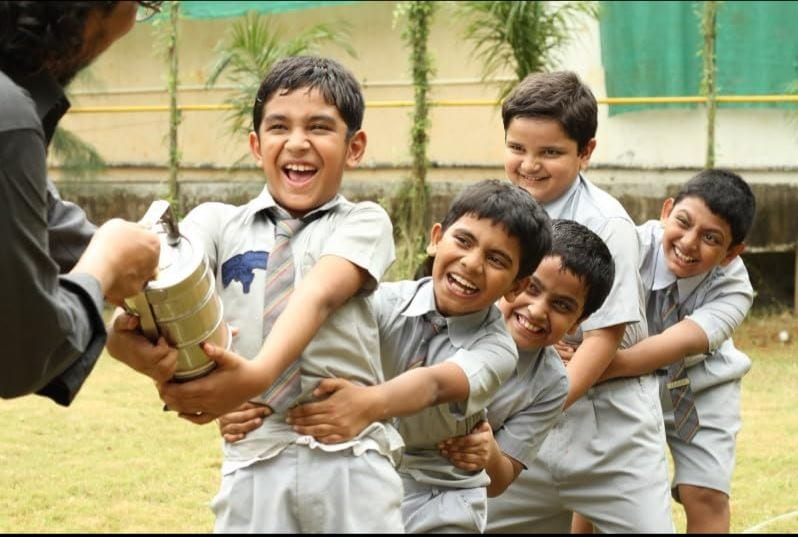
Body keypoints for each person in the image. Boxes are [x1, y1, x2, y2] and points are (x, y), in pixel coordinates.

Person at [117, 55, 406, 532]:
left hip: (350, 455)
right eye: (279, 127)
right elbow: (160, 290)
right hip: (253, 452)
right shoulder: (214, 223)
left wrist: (250, 378)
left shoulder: (364, 221)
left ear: (354, 147)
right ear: (256, 144)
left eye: (319, 127)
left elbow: (318, 295)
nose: (298, 142)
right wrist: (172, 381)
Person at [253, 179, 552, 533]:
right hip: (361, 478)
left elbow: (435, 384)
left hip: (442, 497)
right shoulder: (381, 303)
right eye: (464, 241)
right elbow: (304, 328)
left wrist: (366, 404)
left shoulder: (498, 349)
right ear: (436, 238)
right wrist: (247, 393)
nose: (472, 263)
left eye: (496, 259)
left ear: (517, 286)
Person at [485, 70, 674, 532]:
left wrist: (534, 409)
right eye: (517, 148)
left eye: (550, 152)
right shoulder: (497, 213)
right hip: (520, 431)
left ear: (585, 152)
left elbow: (603, 339)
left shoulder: (607, 224)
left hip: (608, 436)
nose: (529, 165)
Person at [0, 0, 171, 406]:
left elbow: (43, 224)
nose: (130, 25)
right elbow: (20, 356)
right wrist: (107, 264)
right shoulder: (9, 119)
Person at [571, 169, 756, 533]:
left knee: (705, 492)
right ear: (666, 210)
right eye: (683, 223)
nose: (688, 242)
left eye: (710, 238)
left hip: (702, 388)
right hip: (622, 385)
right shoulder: (627, 248)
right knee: (593, 482)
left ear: (731, 253)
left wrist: (590, 367)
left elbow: (678, 343)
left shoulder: (735, 287)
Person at [438, 219, 615, 503]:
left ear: (577, 323)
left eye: (561, 305)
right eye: (531, 288)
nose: (536, 310)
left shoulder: (551, 384)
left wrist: (489, 453)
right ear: (514, 280)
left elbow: (499, 481)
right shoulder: (453, 310)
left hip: (442, 497)